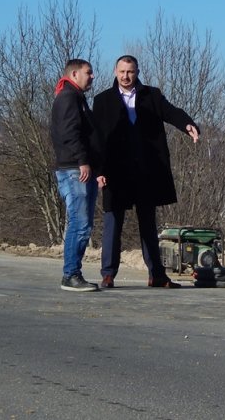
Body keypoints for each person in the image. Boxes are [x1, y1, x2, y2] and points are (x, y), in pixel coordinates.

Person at [94, 55, 200, 289]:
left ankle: (157, 275)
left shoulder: (152, 95)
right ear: (115, 71)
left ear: (137, 71)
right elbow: (97, 138)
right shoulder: (102, 100)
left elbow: (171, 112)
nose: (125, 76)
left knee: (148, 225)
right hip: (115, 172)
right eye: (122, 71)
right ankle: (108, 274)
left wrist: (188, 125)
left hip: (145, 171)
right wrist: (98, 170)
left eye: (130, 72)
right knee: (112, 224)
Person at [50, 59, 101, 292]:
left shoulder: (76, 97)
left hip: (79, 168)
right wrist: (82, 161)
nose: (92, 77)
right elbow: (69, 133)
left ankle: (73, 273)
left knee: (84, 223)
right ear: (74, 73)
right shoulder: (69, 98)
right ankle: (70, 274)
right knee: (79, 223)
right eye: (88, 73)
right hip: (73, 169)